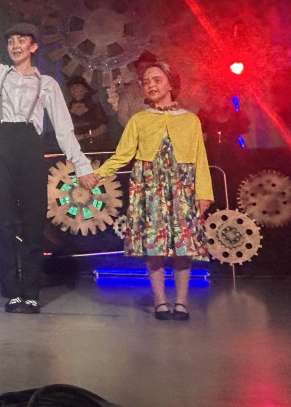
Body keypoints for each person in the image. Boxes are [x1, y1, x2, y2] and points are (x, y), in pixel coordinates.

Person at [0, 0, 95, 314]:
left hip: (30, 148)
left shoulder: (47, 84)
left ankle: (31, 292)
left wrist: (82, 165)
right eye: (11, 42)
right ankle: (12, 289)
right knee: (3, 222)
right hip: (0, 145)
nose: (15, 46)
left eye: (21, 41)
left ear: (33, 47)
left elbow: (63, 129)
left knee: (33, 222)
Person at [82, 61, 213, 320]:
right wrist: (98, 174)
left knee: (183, 246)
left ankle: (182, 302)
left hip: (182, 189)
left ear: (171, 84)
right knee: (154, 246)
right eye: (146, 81)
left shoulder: (190, 120)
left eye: (157, 79)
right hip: (150, 188)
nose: (151, 85)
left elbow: (200, 157)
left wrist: (203, 193)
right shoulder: (139, 120)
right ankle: (160, 301)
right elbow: (123, 155)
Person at [66, 75, 111, 151]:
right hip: (74, 146)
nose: (75, 90)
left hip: (95, 146)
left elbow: (103, 125)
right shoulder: (66, 109)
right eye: (72, 88)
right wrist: (73, 137)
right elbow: (62, 128)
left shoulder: (95, 107)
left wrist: (92, 135)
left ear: (85, 90)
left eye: (78, 87)